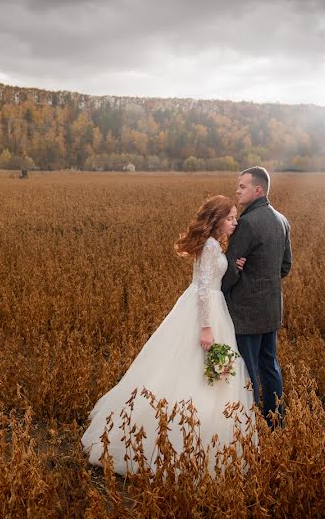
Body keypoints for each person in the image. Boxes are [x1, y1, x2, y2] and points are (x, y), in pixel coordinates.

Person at [81, 195, 254, 475]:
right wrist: (207, 328)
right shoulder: (210, 246)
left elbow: (210, 280)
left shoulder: (212, 245)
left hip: (207, 306)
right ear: (217, 219)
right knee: (195, 369)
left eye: (236, 217)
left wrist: (234, 267)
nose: (235, 222)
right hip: (206, 311)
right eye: (231, 217)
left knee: (197, 370)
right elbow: (202, 289)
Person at [222, 167, 292, 428]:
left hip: (245, 311)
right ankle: (276, 422)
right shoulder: (282, 220)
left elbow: (229, 269)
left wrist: (233, 283)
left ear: (258, 190)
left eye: (242, 186)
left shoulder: (248, 223)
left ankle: (247, 427)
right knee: (270, 365)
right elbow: (285, 266)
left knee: (247, 370)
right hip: (271, 309)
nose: (237, 190)